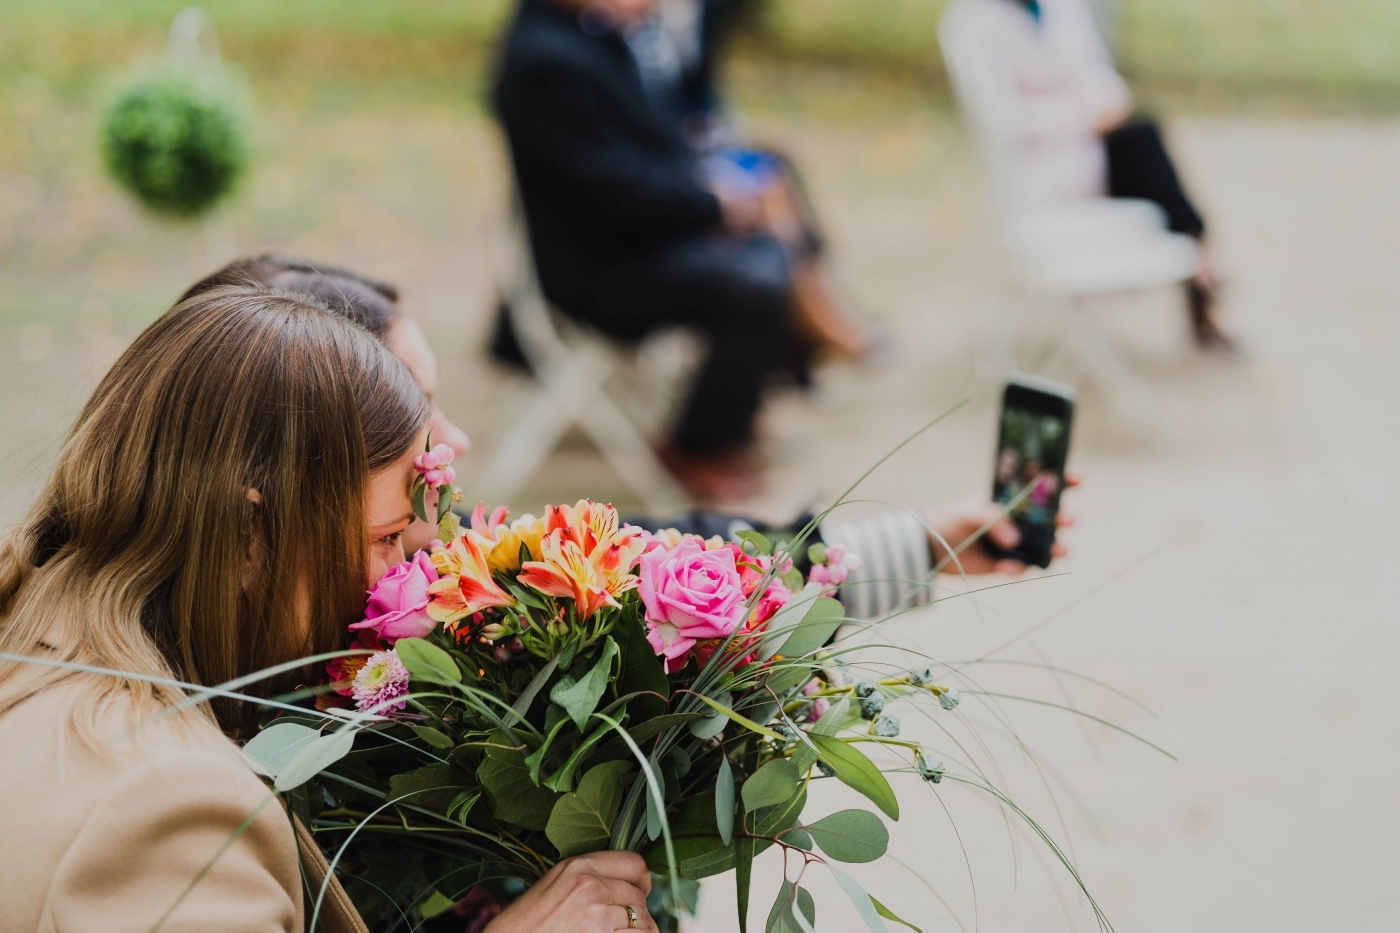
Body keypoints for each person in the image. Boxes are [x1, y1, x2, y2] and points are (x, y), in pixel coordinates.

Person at [0, 285, 658, 933]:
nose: (398, 577)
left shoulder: (28, 619)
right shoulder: (170, 800)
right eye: (383, 537)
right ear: (247, 534)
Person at [185, 256, 1074, 622]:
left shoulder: (435, 571)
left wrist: (919, 547)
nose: (452, 439)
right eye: (414, 411)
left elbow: (661, 564)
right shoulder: (185, 729)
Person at [491, 0, 869, 500]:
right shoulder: (548, 63)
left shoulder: (590, 37)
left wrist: (714, 185)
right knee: (756, 277)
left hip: (633, 242)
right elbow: (611, 192)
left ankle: (762, 392)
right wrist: (715, 204)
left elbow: (653, 143)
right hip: (597, 274)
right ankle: (698, 443)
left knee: (768, 228)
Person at [941, 0, 1234, 349]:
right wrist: (1080, 117)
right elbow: (1002, 120)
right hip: (1042, 167)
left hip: (1092, 145)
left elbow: (1094, 69)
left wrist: (1106, 103)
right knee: (1142, 143)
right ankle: (1201, 264)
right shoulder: (972, 22)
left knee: (1141, 137)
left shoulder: (1061, 6)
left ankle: (1199, 262)